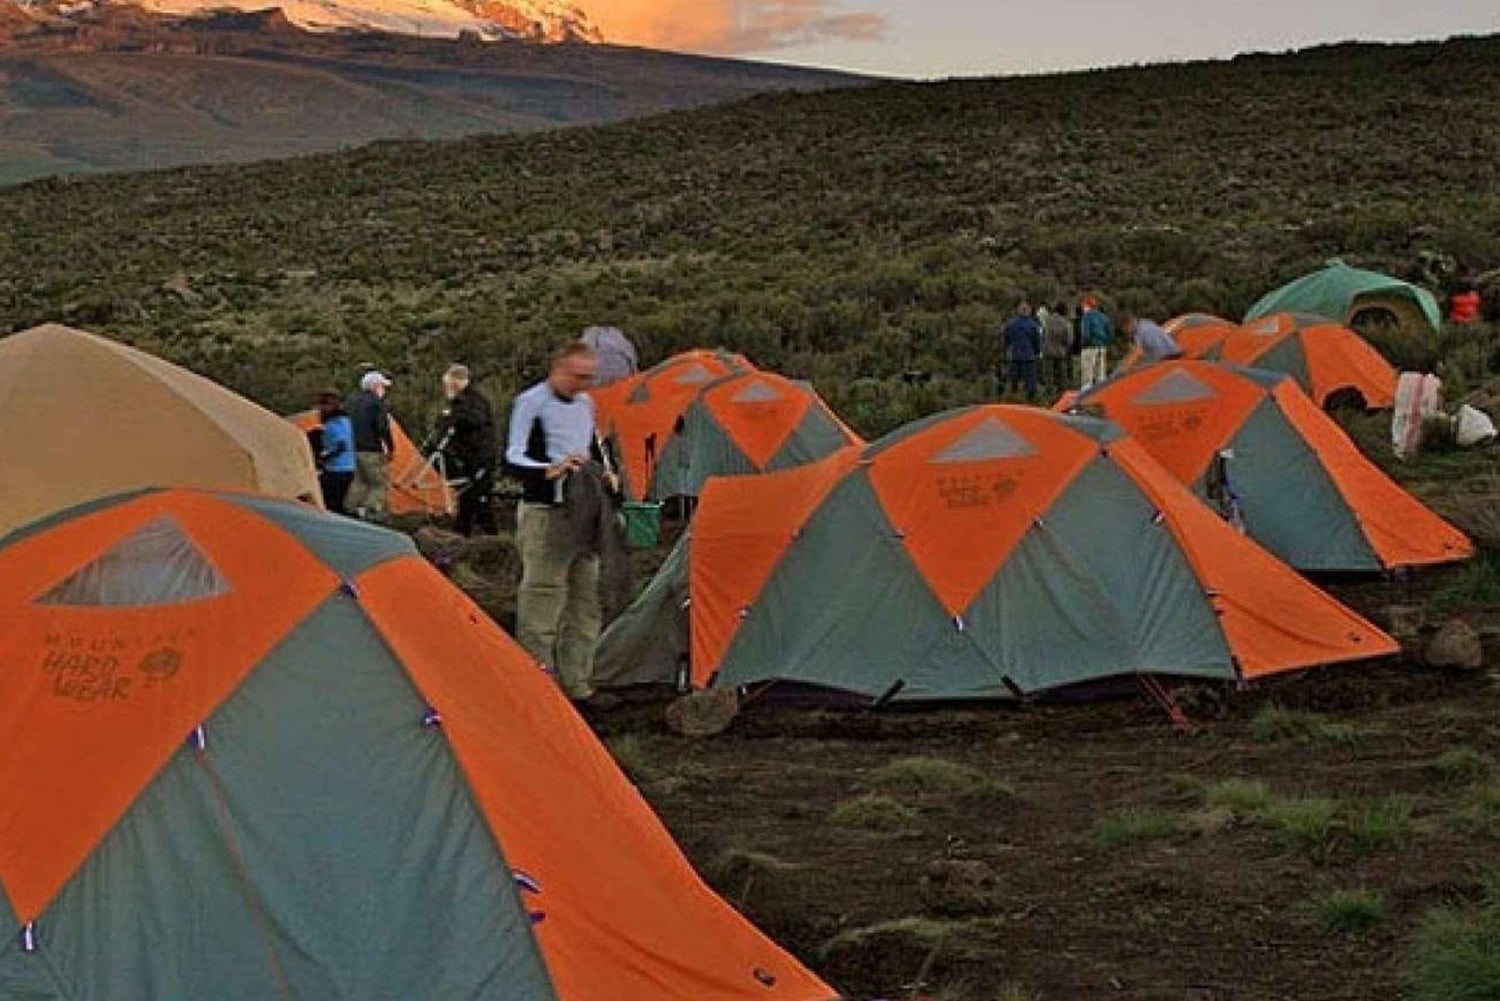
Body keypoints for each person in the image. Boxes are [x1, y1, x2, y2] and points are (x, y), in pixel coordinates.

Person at [505, 342, 620, 704]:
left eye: (589, 377)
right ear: (559, 369)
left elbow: (592, 446)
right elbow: (511, 457)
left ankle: (578, 683)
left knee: (585, 602)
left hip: (584, 512)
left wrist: (607, 473)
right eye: (578, 376)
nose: (584, 384)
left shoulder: (586, 404)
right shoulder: (531, 403)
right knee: (543, 599)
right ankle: (538, 688)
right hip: (546, 513)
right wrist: (546, 471)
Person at [436, 363, 498, 537]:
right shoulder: (462, 401)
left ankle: (493, 539)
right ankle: (461, 538)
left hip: (480, 458)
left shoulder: (472, 400)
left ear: (456, 381)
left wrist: (453, 418)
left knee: (480, 501)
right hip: (468, 458)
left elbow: (475, 420)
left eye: (448, 383)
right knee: (466, 501)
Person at [345, 370, 394, 522]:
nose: (384, 391)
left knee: (358, 481)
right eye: (383, 387)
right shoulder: (376, 403)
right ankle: (371, 514)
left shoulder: (350, 401)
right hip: (371, 449)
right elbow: (382, 426)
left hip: (352, 449)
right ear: (376, 386)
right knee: (379, 483)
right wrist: (390, 446)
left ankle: (349, 511)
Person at [314, 390, 356, 514]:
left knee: (331, 504)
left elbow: (341, 445)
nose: (319, 410)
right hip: (349, 467)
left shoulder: (333, 424)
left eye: (322, 406)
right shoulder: (347, 421)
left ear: (328, 407)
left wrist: (324, 457)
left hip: (336, 470)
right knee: (340, 504)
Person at [1001, 302, 1043, 401]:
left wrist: (1007, 350)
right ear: (1028, 311)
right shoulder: (1033, 325)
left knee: (1013, 381)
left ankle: (1013, 399)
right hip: (1028, 357)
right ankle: (1030, 400)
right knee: (1030, 382)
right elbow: (1037, 341)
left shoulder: (1011, 324)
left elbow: (1006, 339)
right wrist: (1036, 352)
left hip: (1014, 356)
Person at [1078, 296, 1113, 388]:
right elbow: (1109, 331)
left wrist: (1083, 344)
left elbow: (1086, 334)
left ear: (1087, 305)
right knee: (1101, 374)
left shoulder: (1087, 317)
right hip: (1102, 347)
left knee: (1087, 374)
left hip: (1090, 347)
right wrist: (1105, 342)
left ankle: (1086, 395)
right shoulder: (1103, 317)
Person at [1040, 301, 1073, 394]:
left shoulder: (1047, 321)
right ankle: (1061, 392)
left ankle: (1049, 391)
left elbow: (1042, 335)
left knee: (1048, 374)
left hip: (1047, 350)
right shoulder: (1066, 323)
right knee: (1061, 374)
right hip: (1060, 351)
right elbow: (1069, 340)